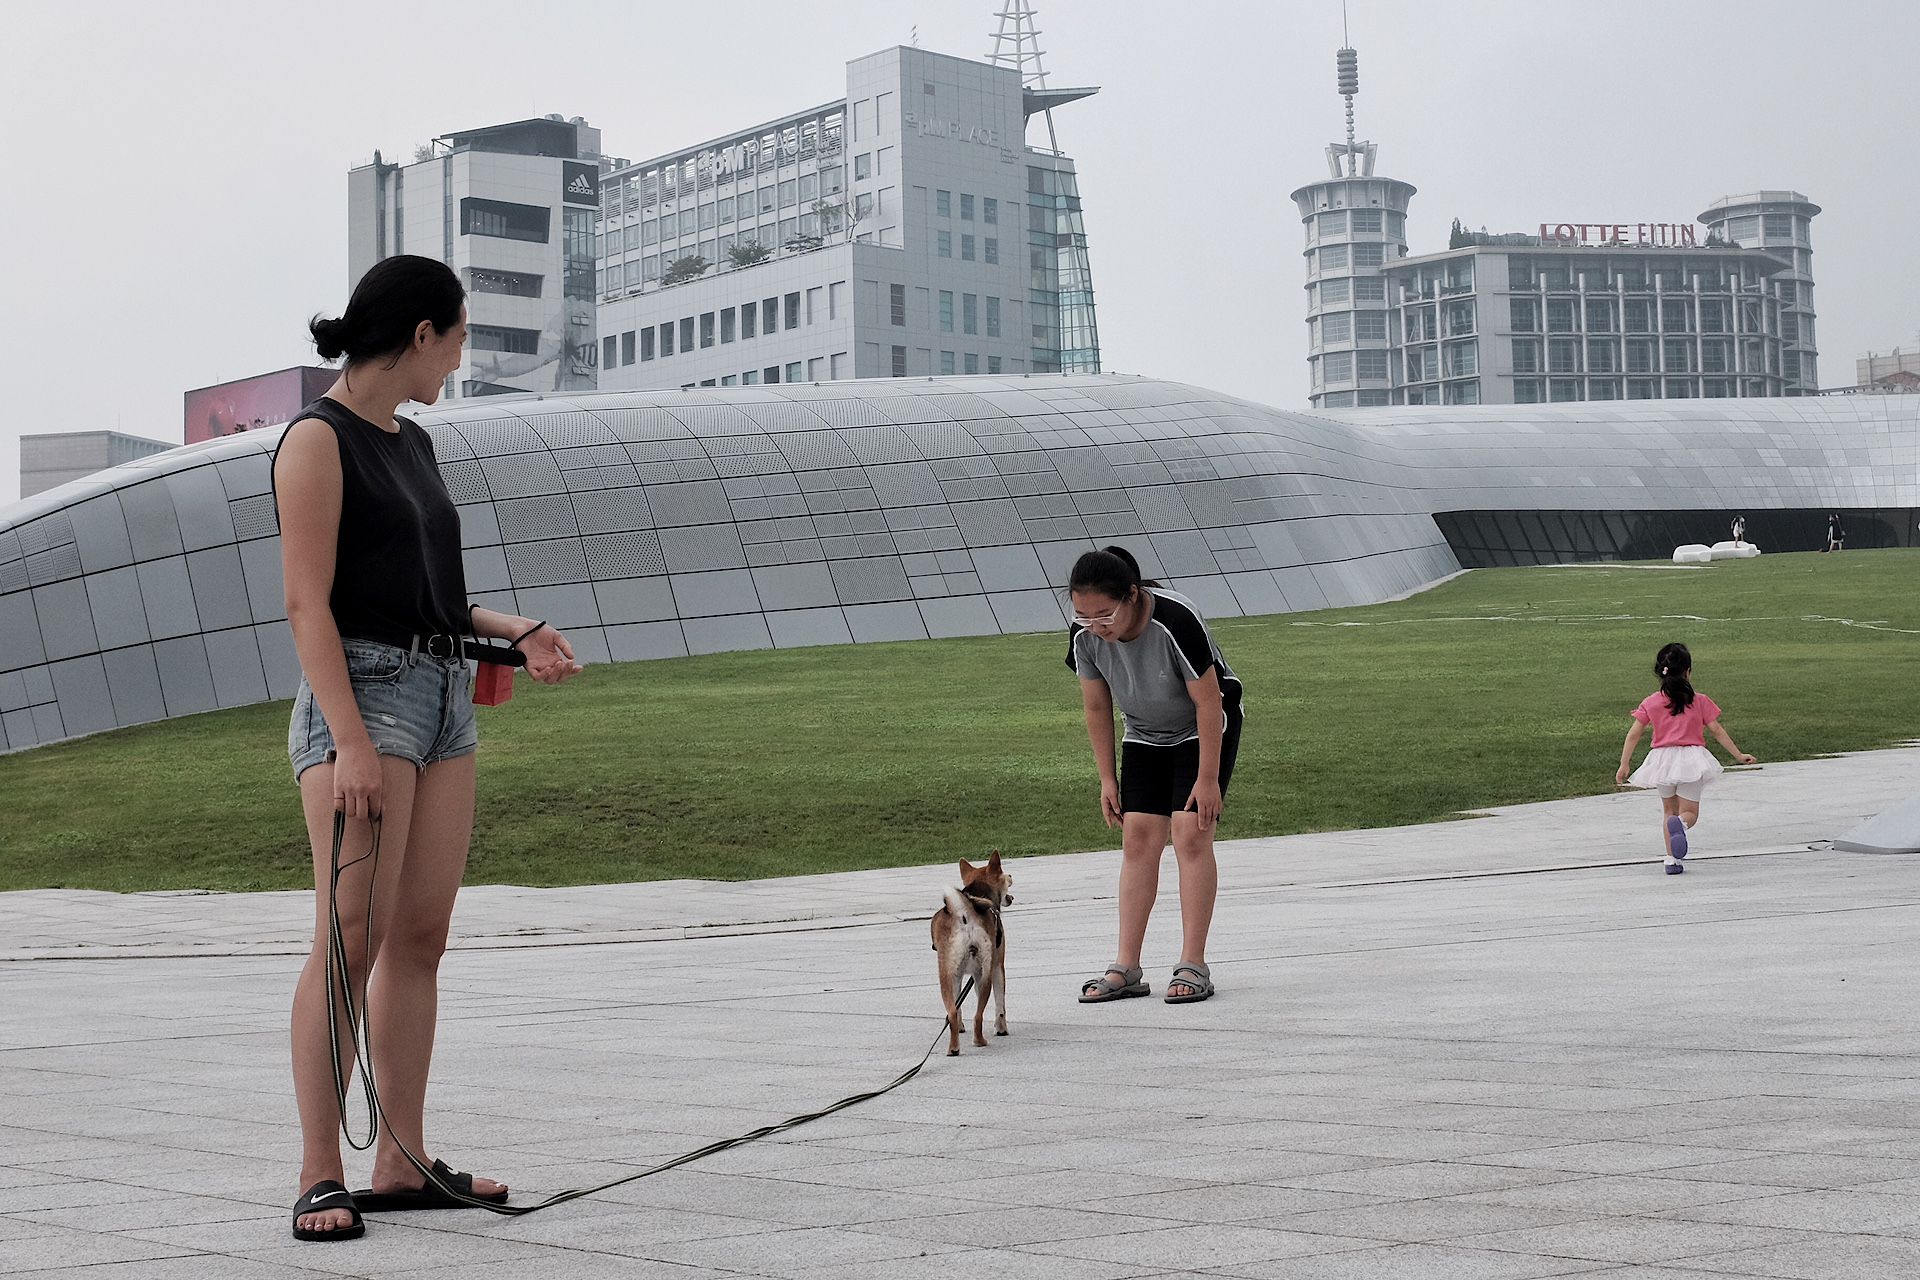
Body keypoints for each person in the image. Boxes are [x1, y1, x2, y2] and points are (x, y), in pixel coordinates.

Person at [275, 255, 583, 1242]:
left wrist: (516, 629)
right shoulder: (316, 443)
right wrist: (351, 741)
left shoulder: (414, 443)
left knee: (419, 938)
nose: (456, 359)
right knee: (347, 939)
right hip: (360, 701)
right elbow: (305, 604)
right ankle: (322, 1171)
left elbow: (438, 601)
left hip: (445, 694)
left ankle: (400, 1161)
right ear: (419, 335)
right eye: (454, 340)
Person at [1064, 546, 1244, 1004]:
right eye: (1084, 616)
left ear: (1131, 595)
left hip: (1200, 728)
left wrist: (1207, 779)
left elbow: (1210, 702)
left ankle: (1193, 963)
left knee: (1190, 832)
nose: (1096, 626)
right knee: (1138, 837)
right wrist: (1107, 778)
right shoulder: (1084, 635)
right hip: (1144, 731)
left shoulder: (1176, 620)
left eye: (1105, 615)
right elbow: (1097, 704)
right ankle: (1126, 966)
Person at [1615, 642, 1755, 875]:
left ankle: (1671, 859)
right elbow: (1717, 731)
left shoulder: (1651, 702)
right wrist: (1738, 755)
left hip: (1661, 761)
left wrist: (1624, 763)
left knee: (1668, 810)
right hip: (1691, 759)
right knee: (1688, 812)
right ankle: (1681, 825)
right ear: (1688, 671)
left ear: (1660, 672)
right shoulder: (1699, 700)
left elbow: (1634, 734)